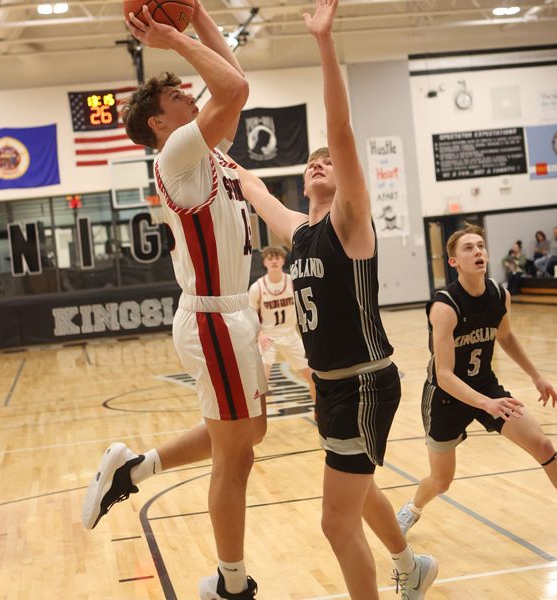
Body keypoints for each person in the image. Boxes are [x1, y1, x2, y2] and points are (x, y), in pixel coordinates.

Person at [237, 1, 438, 598]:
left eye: (329, 160)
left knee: (334, 520)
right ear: (304, 182)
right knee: (362, 488)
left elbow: (342, 130)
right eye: (313, 162)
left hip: (366, 380)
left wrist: (324, 44)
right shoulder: (298, 233)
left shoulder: (350, 221)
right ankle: (409, 564)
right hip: (331, 383)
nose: (322, 162)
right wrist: (198, 140)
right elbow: (250, 186)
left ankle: (397, 575)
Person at [81, 4, 266, 599]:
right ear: (161, 125)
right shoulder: (177, 157)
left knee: (250, 432)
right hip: (214, 317)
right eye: (181, 99)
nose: (193, 97)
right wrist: (170, 37)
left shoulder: (202, 149)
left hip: (233, 313)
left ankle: (133, 469)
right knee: (235, 459)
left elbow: (231, 78)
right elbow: (233, 86)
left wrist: (198, 12)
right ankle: (231, 586)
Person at [396, 224, 557, 536]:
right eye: (468, 248)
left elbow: (506, 336)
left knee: (542, 445)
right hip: (446, 397)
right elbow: (444, 375)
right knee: (441, 481)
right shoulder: (445, 306)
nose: (478, 252)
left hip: (486, 387)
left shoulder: (500, 295)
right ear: (454, 262)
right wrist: (487, 403)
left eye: (480, 246)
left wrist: (536, 376)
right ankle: (412, 509)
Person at [248, 246, 316, 404]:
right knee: (262, 382)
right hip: (267, 337)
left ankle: (319, 412)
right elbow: (250, 315)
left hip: (290, 335)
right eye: (270, 258)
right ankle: (256, 418)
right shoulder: (257, 287)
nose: (274, 261)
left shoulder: (293, 281)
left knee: (314, 378)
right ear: (264, 262)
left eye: (277, 258)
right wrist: (259, 334)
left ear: (283, 260)